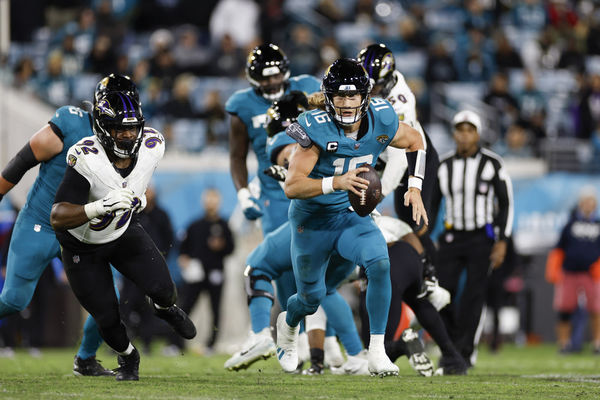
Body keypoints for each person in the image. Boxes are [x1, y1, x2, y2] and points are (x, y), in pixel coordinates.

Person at [276, 58, 428, 377]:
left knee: (379, 262)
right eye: (340, 97)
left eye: (353, 95)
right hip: (312, 221)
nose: (347, 103)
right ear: (329, 97)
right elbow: (292, 185)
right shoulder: (313, 125)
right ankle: (287, 326)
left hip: (350, 215)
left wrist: (414, 187)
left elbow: (416, 140)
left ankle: (376, 351)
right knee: (310, 297)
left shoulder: (383, 117)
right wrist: (337, 182)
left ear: (365, 96)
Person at [50, 91, 196, 381]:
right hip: (82, 244)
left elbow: (136, 182)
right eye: (120, 129)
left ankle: (163, 307)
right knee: (107, 317)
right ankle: (129, 358)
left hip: (121, 232)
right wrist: (99, 206)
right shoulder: (87, 158)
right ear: (104, 129)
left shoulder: (153, 145)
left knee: (166, 289)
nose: (128, 135)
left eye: (132, 128)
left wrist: (138, 200)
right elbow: (58, 215)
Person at [0, 74, 140, 376]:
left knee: (108, 302)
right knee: (13, 299)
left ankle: (85, 360)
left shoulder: (133, 143)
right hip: (41, 223)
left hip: (81, 233)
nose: (126, 127)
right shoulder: (72, 124)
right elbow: (23, 160)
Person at [224, 92, 369, 375]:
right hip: (347, 224)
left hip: (314, 224)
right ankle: (355, 354)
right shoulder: (335, 131)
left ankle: (260, 336)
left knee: (257, 266)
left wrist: (289, 165)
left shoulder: (290, 139)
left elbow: (290, 153)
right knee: (323, 290)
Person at [434, 110, 514, 367]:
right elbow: (431, 204)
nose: (465, 135)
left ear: (477, 134)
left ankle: (465, 353)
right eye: (460, 130)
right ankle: (453, 344)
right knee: (442, 293)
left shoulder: (493, 163)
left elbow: (506, 204)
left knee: (474, 295)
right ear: (454, 133)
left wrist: (502, 241)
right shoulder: (444, 165)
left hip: (481, 237)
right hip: (451, 237)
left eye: (470, 130)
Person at [357, 42, 441, 271]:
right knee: (403, 222)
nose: (371, 92)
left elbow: (399, 158)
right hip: (388, 156)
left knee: (416, 222)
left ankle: (431, 273)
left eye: (376, 87)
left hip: (414, 159)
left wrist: (379, 193)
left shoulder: (401, 101)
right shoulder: (372, 87)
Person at [226, 43, 320, 235]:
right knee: (281, 255)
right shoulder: (242, 105)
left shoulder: (308, 87)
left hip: (314, 184)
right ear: (254, 78)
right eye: (265, 77)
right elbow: (237, 156)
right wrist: (243, 194)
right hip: (274, 191)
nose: (272, 82)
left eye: (276, 75)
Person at [358, 215, 469, 376]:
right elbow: (410, 235)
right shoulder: (381, 219)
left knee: (375, 349)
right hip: (409, 256)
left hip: (385, 263)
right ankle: (454, 358)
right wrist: (425, 266)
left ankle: (402, 345)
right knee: (419, 301)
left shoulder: (343, 225)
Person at [176, 188, 234, 353]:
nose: (210, 203)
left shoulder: (224, 225)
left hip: (216, 273)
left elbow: (231, 248)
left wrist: (221, 246)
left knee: (215, 309)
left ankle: (211, 344)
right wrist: (185, 260)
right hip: (196, 275)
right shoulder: (195, 225)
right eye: (208, 199)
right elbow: (183, 249)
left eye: (213, 199)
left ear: (218, 202)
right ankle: (177, 342)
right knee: (186, 307)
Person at [120, 186, 175, 354]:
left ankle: (147, 343)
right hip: (131, 269)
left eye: (150, 190)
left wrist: (160, 260)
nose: (148, 193)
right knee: (125, 306)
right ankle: (121, 343)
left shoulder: (161, 215)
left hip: (150, 271)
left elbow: (169, 240)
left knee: (148, 309)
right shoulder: (134, 213)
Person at [546, 186, 600, 353]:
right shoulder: (570, 224)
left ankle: (597, 342)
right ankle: (564, 343)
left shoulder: (598, 225)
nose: (588, 205)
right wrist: (553, 269)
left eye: (591, 202)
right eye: (585, 201)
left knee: (596, 309)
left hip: (592, 274)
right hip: (569, 272)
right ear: (580, 203)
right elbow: (559, 248)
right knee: (565, 308)